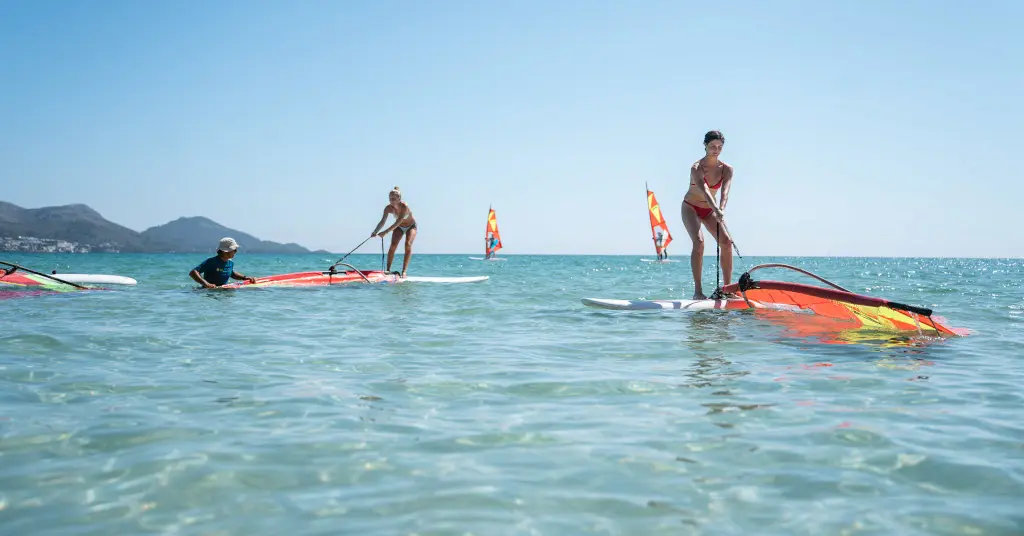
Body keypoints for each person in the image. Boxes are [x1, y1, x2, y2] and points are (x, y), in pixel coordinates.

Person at [681, 130, 734, 299]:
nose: (716, 150)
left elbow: (725, 192)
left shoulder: (727, 169)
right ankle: (698, 292)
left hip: (710, 210)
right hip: (691, 207)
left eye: (719, 147)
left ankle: (728, 290)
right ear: (705, 145)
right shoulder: (696, 167)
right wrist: (716, 209)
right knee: (699, 242)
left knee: (726, 242)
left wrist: (721, 209)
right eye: (712, 146)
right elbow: (704, 191)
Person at [371, 186, 417, 277]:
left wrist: (385, 232)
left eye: (393, 198)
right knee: (393, 245)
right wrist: (375, 231)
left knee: (407, 244)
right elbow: (382, 221)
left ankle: (404, 271)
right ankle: (388, 270)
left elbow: (398, 221)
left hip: (411, 226)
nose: (391, 200)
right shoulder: (388, 208)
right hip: (399, 227)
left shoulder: (404, 206)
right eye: (390, 198)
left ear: (399, 198)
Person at [189, 237, 257, 288]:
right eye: (234, 249)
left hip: (223, 292)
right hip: (209, 293)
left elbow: (232, 274)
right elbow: (193, 272)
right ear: (225, 251)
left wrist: (246, 278)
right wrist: (206, 284)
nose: (236, 251)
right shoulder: (211, 262)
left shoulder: (230, 263)